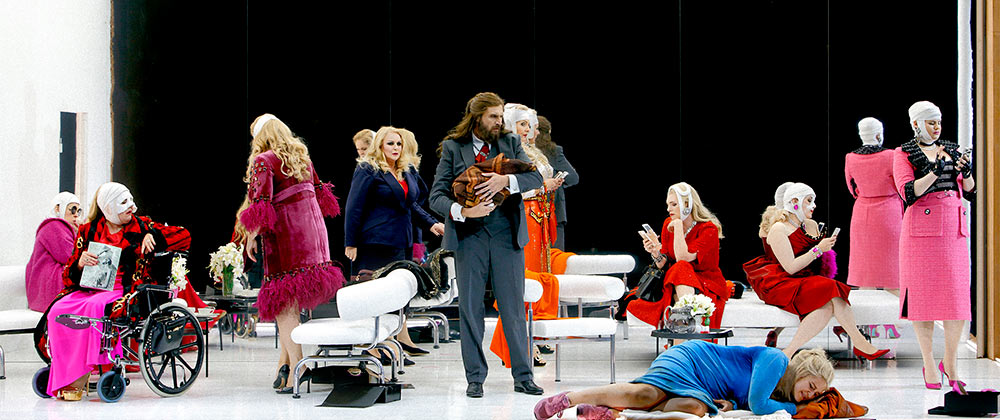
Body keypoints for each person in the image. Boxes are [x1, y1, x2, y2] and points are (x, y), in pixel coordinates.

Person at [429, 92, 544, 398]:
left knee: (513, 309)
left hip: (507, 235)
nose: (499, 122)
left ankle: (523, 376)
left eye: (500, 116)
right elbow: (436, 195)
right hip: (470, 238)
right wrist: (464, 211)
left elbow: (536, 180)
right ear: (477, 117)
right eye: (493, 116)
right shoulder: (454, 147)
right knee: (470, 309)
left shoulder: (509, 143)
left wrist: (505, 182)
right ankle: (475, 378)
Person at [43, 182, 191, 400]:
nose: (132, 206)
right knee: (58, 310)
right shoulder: (88, 230)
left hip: (125, 287)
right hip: (92, 287)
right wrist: (80, 264)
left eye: (130, 200)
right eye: (123, 202)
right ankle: (65, 373)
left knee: (95, 308)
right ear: (108, 208)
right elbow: (69, 274)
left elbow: (184, 235)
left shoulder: (143, 226)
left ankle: (83, 372)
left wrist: (154, 236)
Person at [239, 113, 345, 393]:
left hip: (287, 236)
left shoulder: (264, 160)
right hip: (313, 233)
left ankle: (300, 366)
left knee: (284, 306)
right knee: (293, 305)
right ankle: (285, 367)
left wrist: (250, 236)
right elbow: (322, 197)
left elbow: (261, 203)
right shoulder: (303, 159)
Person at [743, 182, 889, 359]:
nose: (814, 206)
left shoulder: (807, 225)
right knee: (832, 288)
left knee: (828, 305)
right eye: (809, 201)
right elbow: (790, 267)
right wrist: (818, 249)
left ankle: (788, 353)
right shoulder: (778, 229)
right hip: (780, 282)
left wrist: (822, 247)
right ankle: (860, 343)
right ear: (794, 202)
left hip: (802, 279)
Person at [892, 101, 975, 391]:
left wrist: (968, 171)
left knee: (956, 300)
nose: (937, 127)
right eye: (931, 122)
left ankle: (950, 363)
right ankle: (928, 361)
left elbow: (968, 191)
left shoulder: (951, 148)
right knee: (923, 301)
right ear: (916, 124)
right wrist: (934, 171)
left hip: (952, 231)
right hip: (920, 233)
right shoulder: (903, 153)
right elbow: (908, 192)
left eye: (939, 122)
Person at [533, 341, 834, 419]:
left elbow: (744, 395)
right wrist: (798, 412)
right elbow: (756, 403)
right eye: (810, 387)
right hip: (693, 359)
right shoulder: (777, 360)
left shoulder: (778, 396)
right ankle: (568, 399)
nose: (809, 396)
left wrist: (730, 402)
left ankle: (611, 412)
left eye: (814, 395)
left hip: (702, 388)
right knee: (648, 393)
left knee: (694, 408)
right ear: (801, 371)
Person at [344, 126, 444, 358]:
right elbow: (353, 207)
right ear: (380, 145)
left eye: (398, 144)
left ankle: (391, 344)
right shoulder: (368, 169)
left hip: (401, 242)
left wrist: (431, 223)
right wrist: (351, 242)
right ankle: (375, 347)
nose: (396, 148)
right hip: (375, 242)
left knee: (396, 295)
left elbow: (412, 205)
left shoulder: (405, 171)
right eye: (390, 144)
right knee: (375, 295)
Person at [626, 183, 730, 334]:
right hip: (677, 277)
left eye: (674, 204)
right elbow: (664, 263)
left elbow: (683, 257)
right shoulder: (668, 223)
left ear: (687, 205)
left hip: (705, 280)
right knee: (678, 271)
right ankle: (684, 319)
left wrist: (679, 227)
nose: (669, 209)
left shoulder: (708, 229)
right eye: (668, 204)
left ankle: (684, 319)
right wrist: (655, 251)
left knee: (681, 267)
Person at [845, 118, 903, 295]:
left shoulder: (850, 157)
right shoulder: (892, 155)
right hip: (889, 212)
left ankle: (868, 320)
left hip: (862, 213)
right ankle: (896, 318)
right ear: (879, 134)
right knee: (893, 269)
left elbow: (851, 188)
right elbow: (901, 183)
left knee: (865, 271)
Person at [25, 192, 81, 312]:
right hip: (47, 286)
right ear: (58, 208)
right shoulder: (53, 226)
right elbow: (69, 256)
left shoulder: (62, 227)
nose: (76, 215)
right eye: (73, 209)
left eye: (79, 211)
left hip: (44, 287)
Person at [534, 115, 579, 251]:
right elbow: (572, 177)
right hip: (552, 212)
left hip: (535, 212)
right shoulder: (554, 151)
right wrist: (557, 179)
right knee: (554, 259)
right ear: (547, 133)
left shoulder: (518, 149)